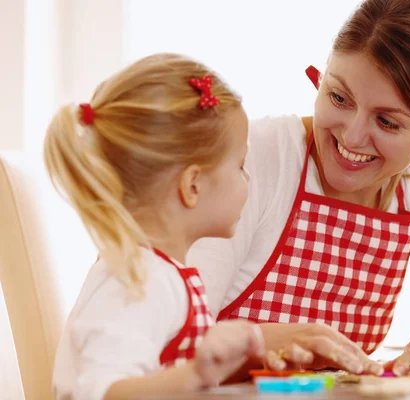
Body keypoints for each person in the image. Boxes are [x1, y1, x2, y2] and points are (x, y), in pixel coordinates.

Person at [189, 0, 410, 378]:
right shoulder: (255, 158)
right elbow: (174, 335)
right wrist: (263, 342)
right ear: (323, 74)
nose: (353, 136)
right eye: (339, 98)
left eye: (388, 122)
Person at [45, 53, 298, 400]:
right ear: (193, 185)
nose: (249, 179)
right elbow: (103, 392)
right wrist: (197, 375)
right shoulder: (139, 279)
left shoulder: (159, 273)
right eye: (240, 166)